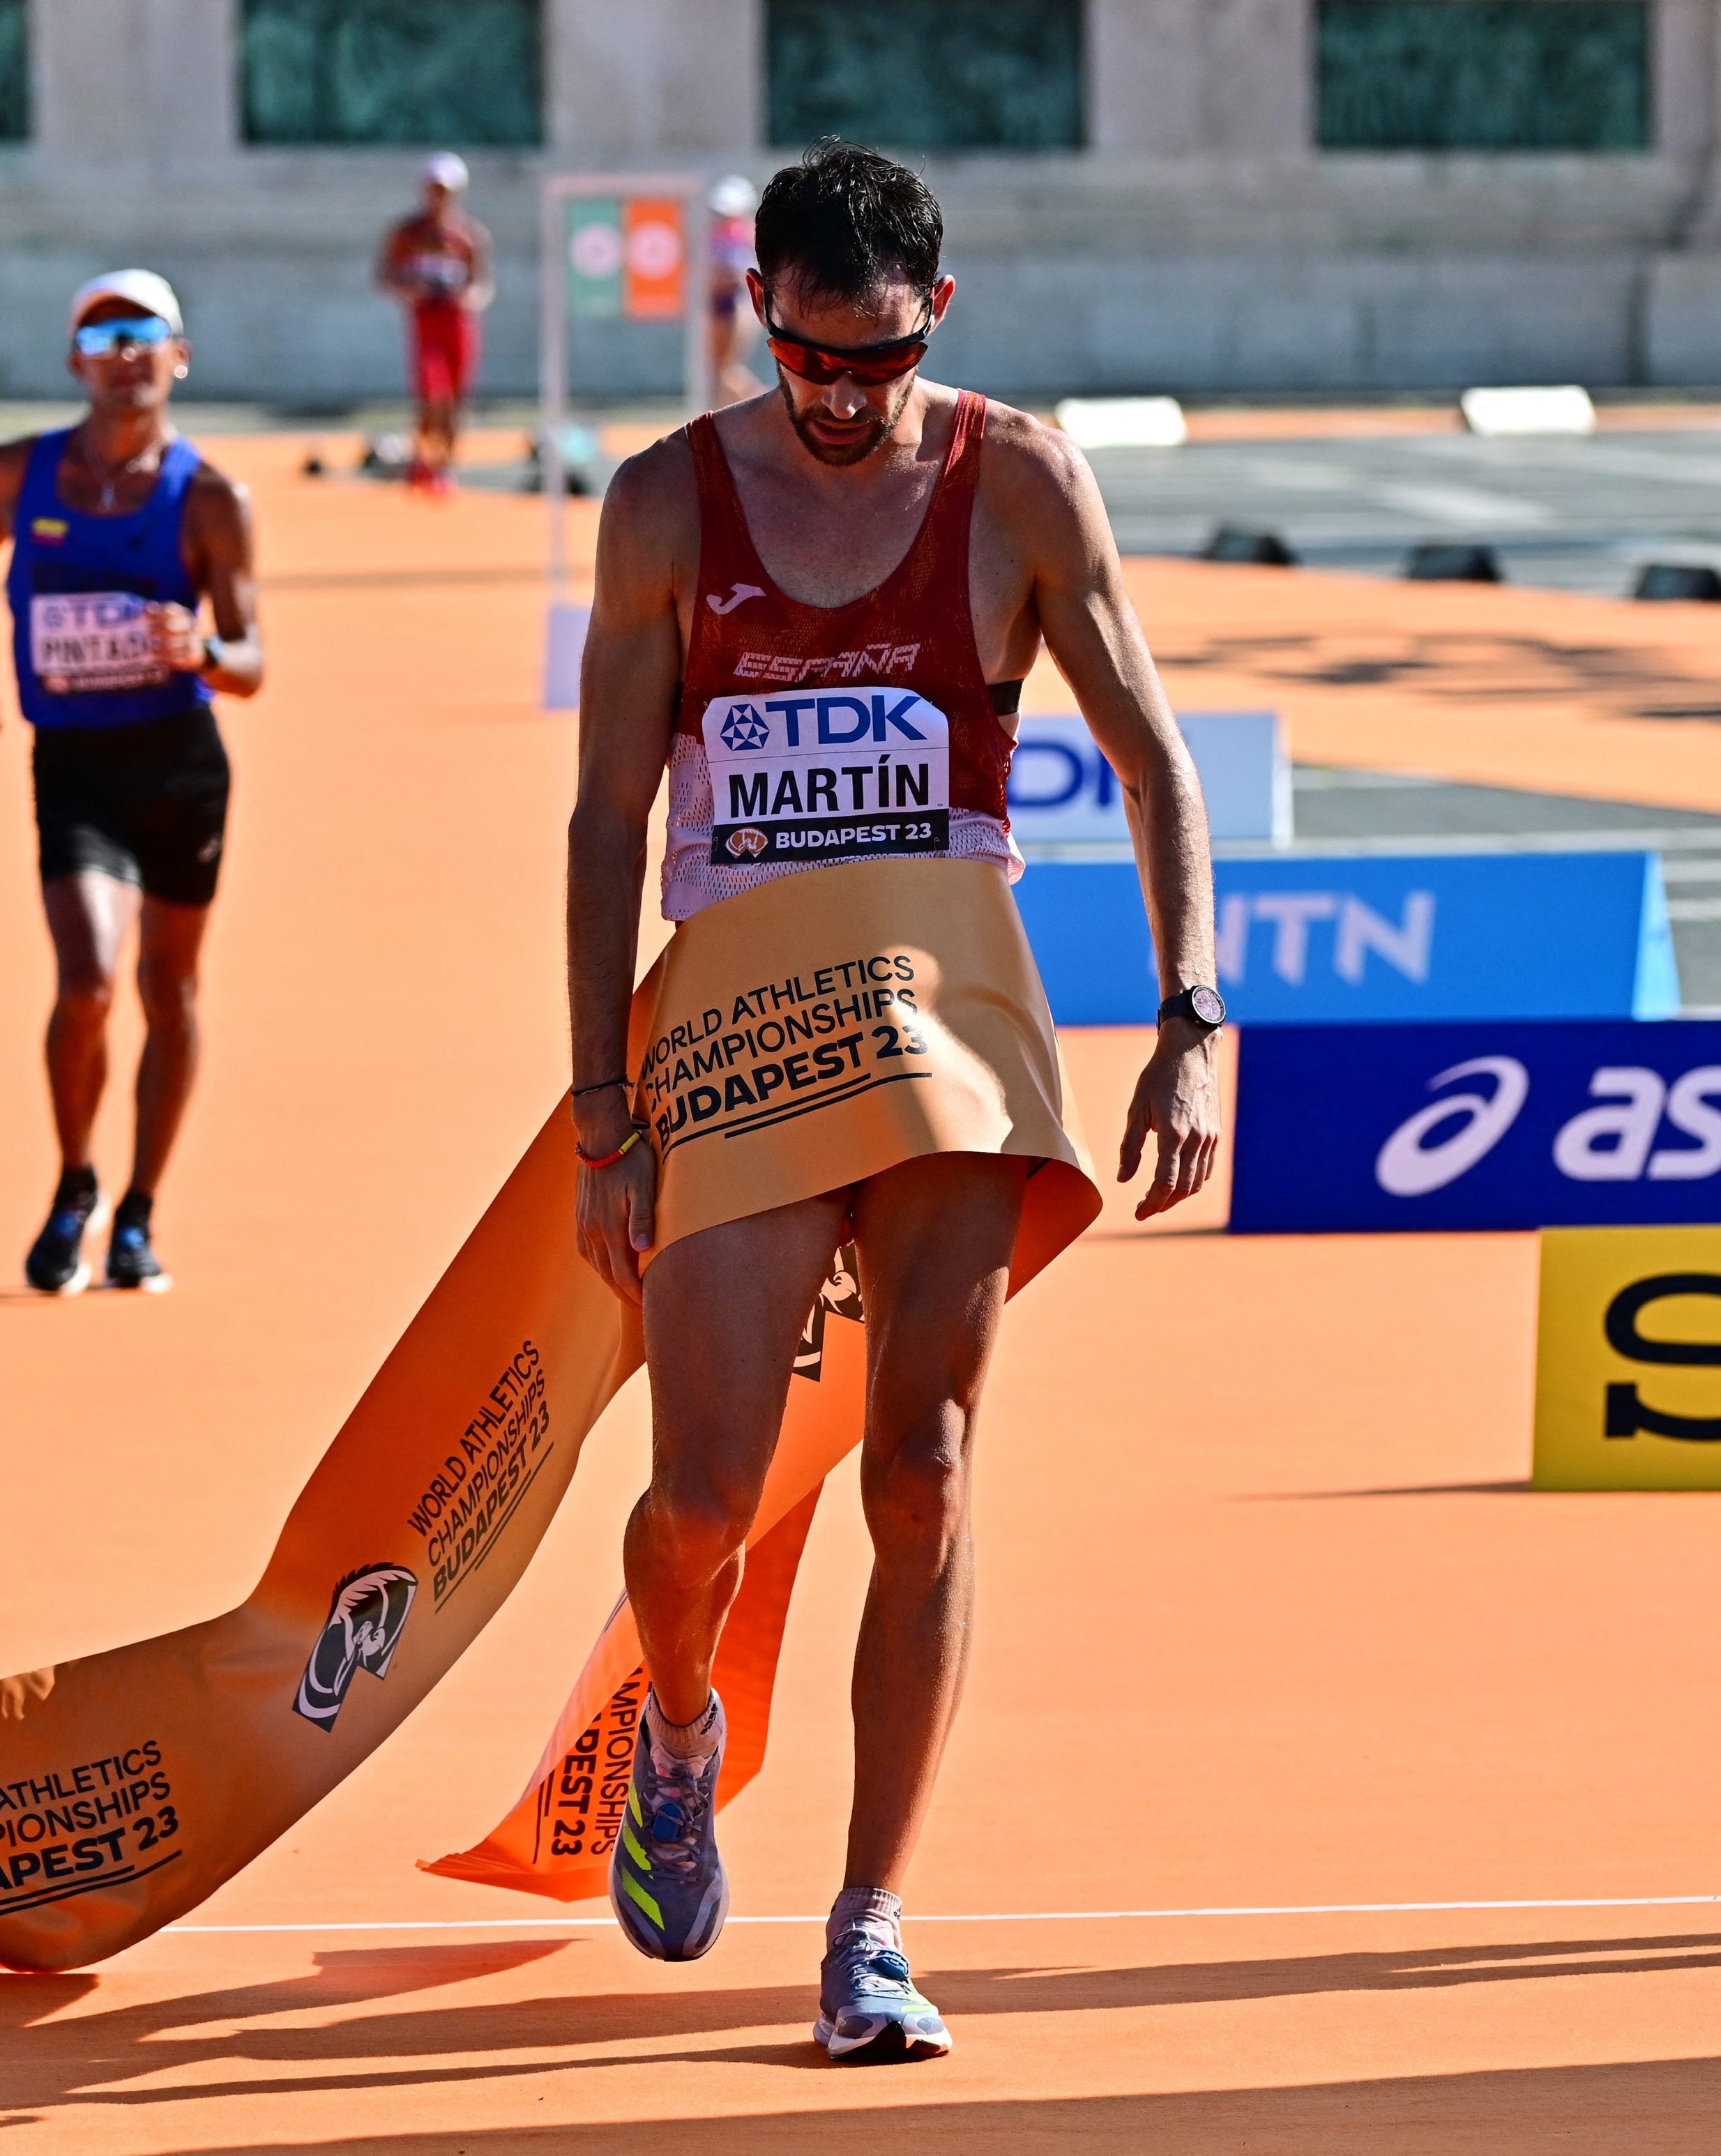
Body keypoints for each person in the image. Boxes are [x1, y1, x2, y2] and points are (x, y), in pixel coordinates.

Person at [564, 139, 1222, 2060]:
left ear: (940, 312)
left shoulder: (1016, 479)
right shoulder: (666, 502)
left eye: (873, 358)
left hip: (948, 1007)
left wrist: (1192, 1011)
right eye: (805, 356)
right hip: (747, 1015)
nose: (838, 399)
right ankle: (676, 1725)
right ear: (756, 309)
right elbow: (611, 811)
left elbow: (1155, 755)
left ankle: (870, 1919)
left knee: (923, 1474)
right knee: (700, 1501)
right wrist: (601, 1103)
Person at [0, 271, 265, 1296]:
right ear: (75, 361)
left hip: (179, 765)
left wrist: (200, 649)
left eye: (144, 333)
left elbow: (253, 662)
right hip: (73, 763)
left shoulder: (209, 499)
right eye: (102, 334)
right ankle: (75, 1181)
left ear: (181, 355)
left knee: (170, 988)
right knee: (86, 983)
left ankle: (138, 1214)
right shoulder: (12, 474)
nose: (125, 352)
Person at [377, 152, 493, 493]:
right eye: (433, 189)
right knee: (433, 394)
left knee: (456, 398)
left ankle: (444, 465)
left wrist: (469, 297)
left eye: (444, 190)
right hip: (426, 320)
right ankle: (424, 458)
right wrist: (409, 291)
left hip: (458, 321)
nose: (438, 197)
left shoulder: (468, 235)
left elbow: (481, 283)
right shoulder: (408, 233)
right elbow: (386, 274)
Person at [704, 173, 762, 404]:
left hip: (738, 305)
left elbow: (740, 276)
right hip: (720, 304)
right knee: (718, 374)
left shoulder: (746, 234)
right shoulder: (717, 235)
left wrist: (716, 276)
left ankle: (771, 407)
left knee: (727, 372)